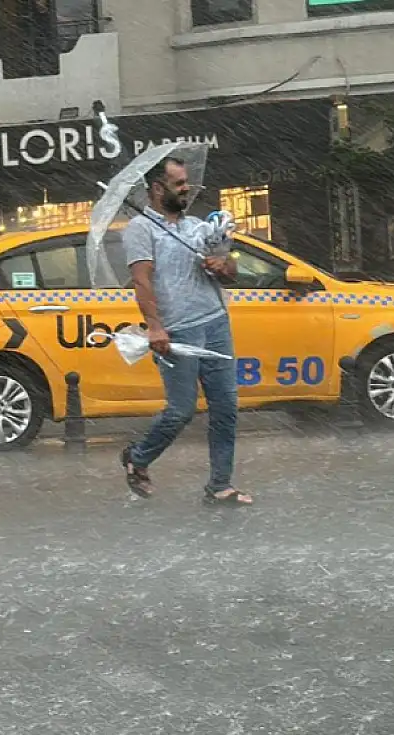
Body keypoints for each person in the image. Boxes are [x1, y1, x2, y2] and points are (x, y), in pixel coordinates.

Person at [121, 157, 253, 506]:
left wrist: (222, 264)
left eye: (187, 182)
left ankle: (220, 484)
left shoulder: (197, 226)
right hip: (177, 331)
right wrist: (155, 326)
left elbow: (232, 273)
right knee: (180, 411)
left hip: (215, 321)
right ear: (157, 189)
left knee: (226, 407)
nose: (187, 189)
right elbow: (141, 279)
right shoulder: (141, 229)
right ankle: (138, 456)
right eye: (179, 184)